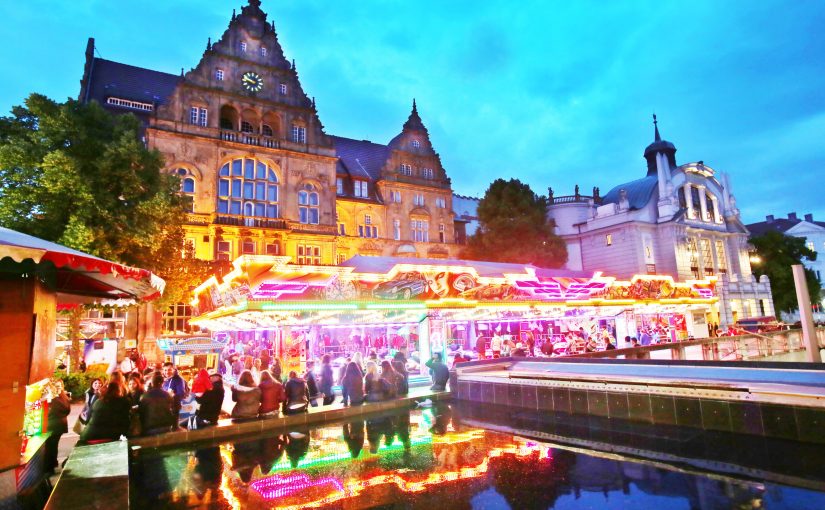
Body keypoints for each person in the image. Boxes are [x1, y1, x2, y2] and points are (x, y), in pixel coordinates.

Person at [45, 379, 71, 474]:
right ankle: (53, 463)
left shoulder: (53, 398)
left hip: (52, 425)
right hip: (61, 424)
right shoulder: (64, 396)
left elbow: (49, 412)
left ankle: (49, 468)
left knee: (50, 447)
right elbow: (68, 411)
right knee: (53, 446)